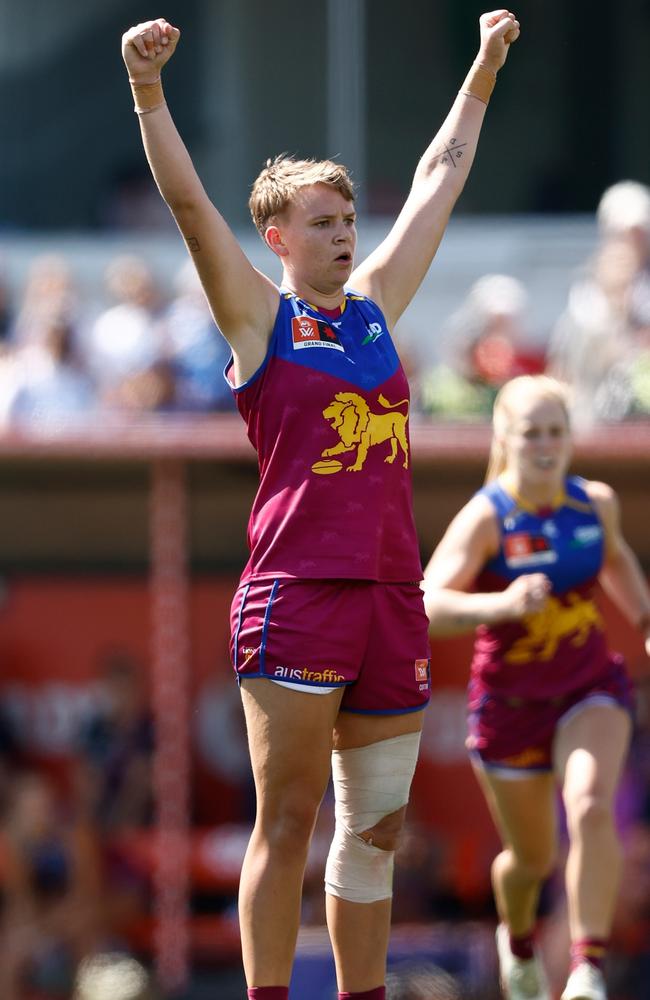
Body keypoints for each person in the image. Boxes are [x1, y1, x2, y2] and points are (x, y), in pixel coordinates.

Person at [121, 11, 521, 1000]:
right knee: (288, 820)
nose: (345, 236)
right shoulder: (258, 313)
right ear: (277, 236)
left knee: (375, 828)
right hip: (296, 592)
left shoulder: (378, 307)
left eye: (348, 221)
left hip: (391, 596)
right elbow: (183, 201)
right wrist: (145, 89)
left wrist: (481, 64)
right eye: (323, 224)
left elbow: (436, 180)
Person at [423, 374, 650, 1000]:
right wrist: (500, 606)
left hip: (589, 688)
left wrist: (647, 621)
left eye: (556, 432)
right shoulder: (488, 515)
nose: (546, 445)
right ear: (505, 438)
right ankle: (517, 939)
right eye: (532, 434)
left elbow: (617, 561)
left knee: (590, 805)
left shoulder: (593, 504)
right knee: (530, 861)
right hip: (510, 706)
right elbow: (428, 605)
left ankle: (586, 967)